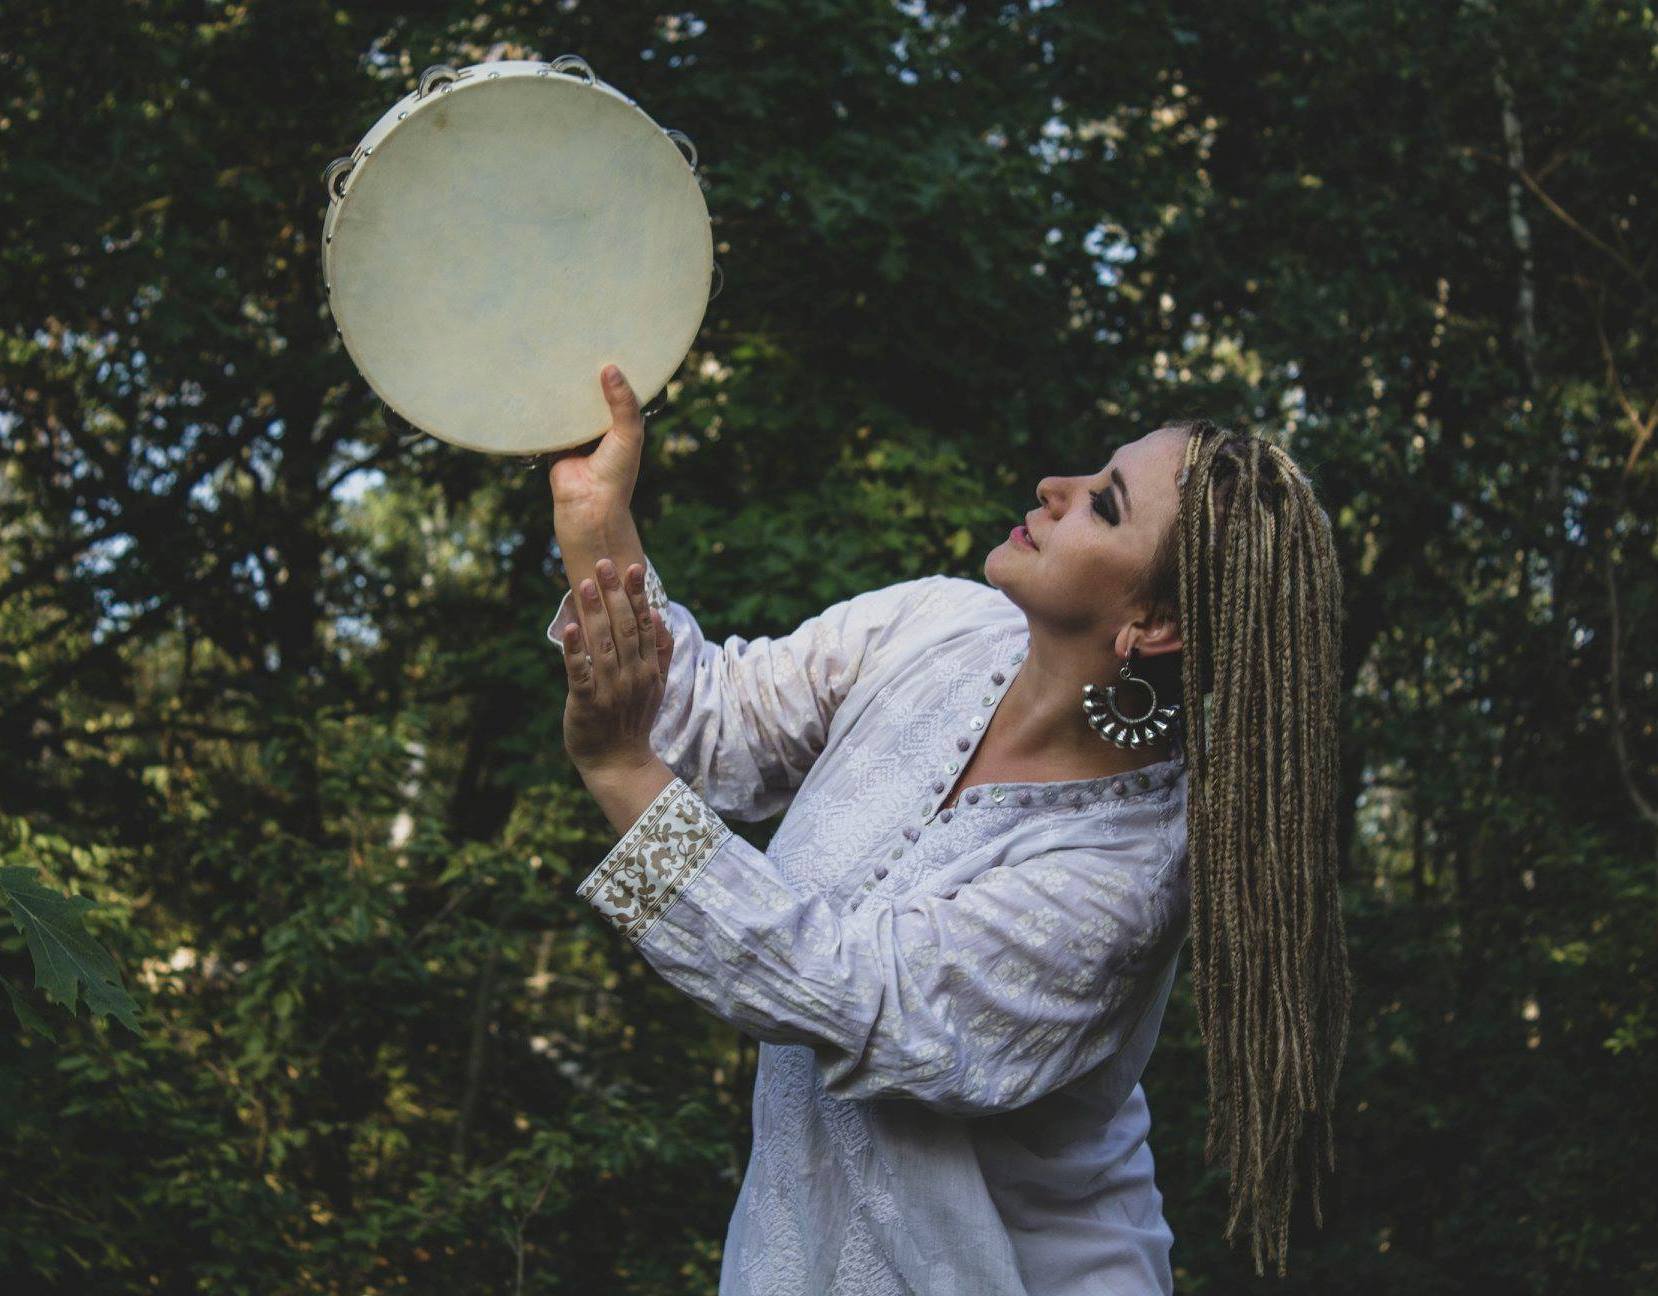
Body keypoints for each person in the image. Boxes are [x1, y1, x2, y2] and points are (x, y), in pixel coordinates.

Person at [546, 363, 1352, 1293]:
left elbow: (852, 998)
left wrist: (621, 773)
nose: (1056, 487)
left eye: (1104, 504)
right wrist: (596, 522)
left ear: (1156, 622)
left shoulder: (1125, 873)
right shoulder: (939, 626)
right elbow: (709, 723)